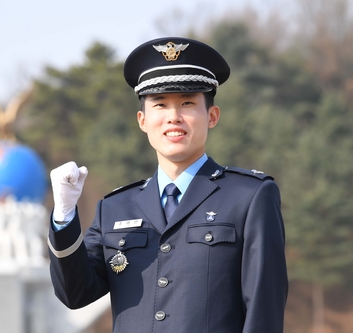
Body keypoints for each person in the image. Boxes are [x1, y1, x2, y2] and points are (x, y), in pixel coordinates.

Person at [47, 37, 288, 333]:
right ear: (142, 120)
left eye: (187, 103)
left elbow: (264, 310)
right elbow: (76, 294)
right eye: (160, 105)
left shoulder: (249, 197)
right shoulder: (114, 207)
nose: (173, 117)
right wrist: (64, 215)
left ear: (211, 116)